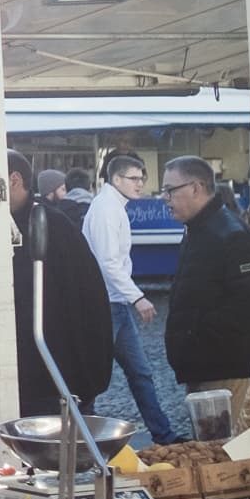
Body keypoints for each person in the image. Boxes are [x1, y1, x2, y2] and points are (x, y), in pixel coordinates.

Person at [0, 147, 113, 414]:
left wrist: (85, 380)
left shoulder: (55, 226)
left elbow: (89, 304)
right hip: (3, 377)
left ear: (13, 180)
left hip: (53, 378)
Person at [84, 153, 186, 442]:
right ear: (116, 179)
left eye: (142, 178)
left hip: (115, 303)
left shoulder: (112, 206)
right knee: (94, 378)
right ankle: (82, 440)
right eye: (134, 178)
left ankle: (162, 433)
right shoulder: (106, 208)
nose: (140, 183)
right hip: (105, 305)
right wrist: (138, 297)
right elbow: (107, 262)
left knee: (139, 372)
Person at [160, 156, 250, 399]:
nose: (165, 198)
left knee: (229, 437)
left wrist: (196, 338)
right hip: (204, 369)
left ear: (195, 188)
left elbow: (247, 307)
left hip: (226, 372)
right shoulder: (199, 230)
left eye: (169, 190)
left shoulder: (232, 236)